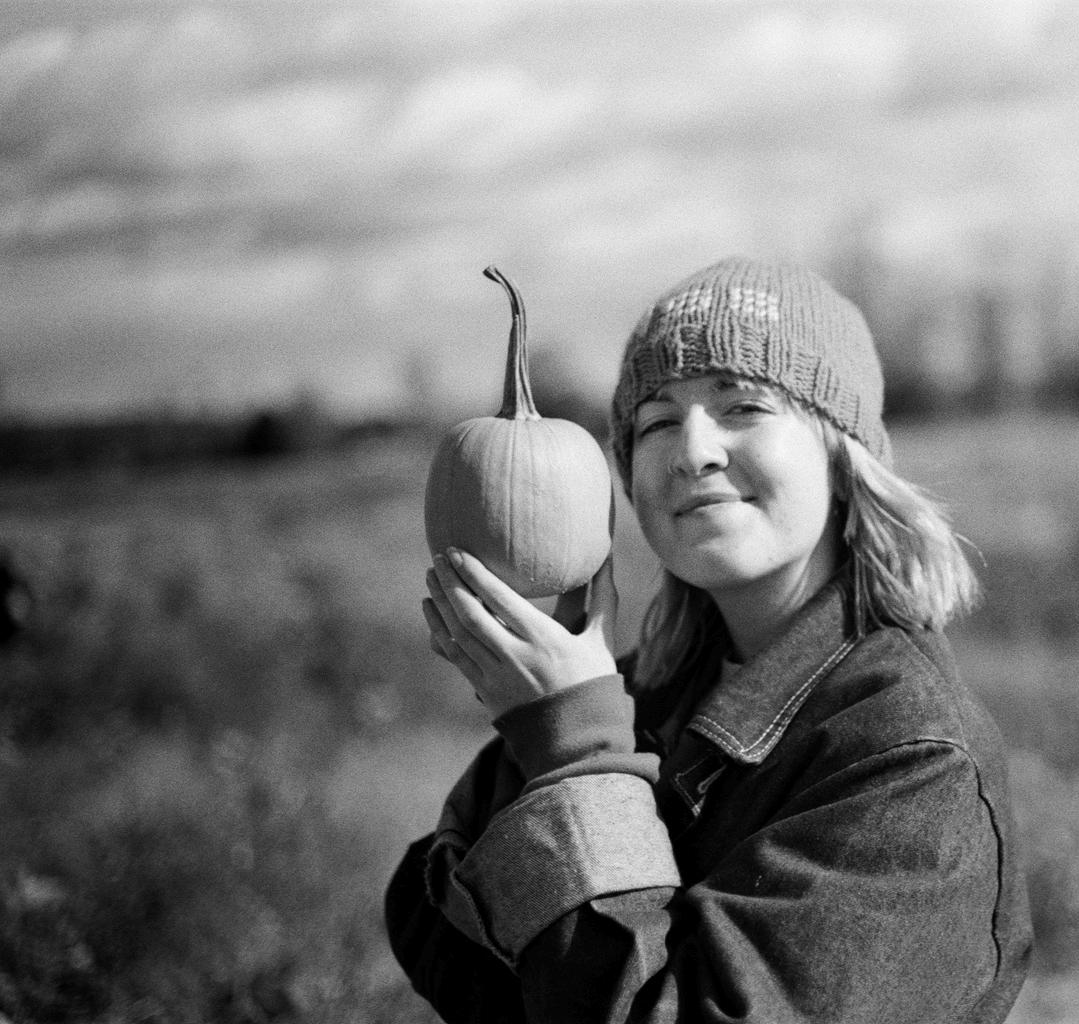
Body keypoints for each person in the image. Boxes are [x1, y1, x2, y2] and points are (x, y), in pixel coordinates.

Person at [385, 257, 1034, 1023]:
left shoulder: (909, 755)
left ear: (841, 456)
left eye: (744, 406)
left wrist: (576, 757)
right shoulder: (638, 695)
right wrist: (543, 717)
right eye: (657, 422)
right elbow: (431, 925)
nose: (693, 451)